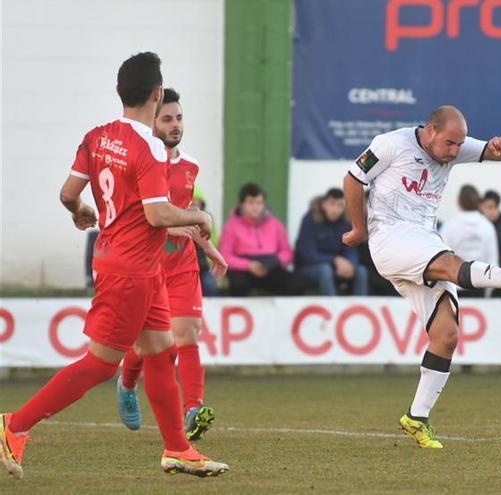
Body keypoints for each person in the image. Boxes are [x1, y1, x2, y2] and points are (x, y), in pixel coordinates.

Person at [0, 52, 228, 479]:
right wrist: (200, 217)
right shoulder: (149, 147)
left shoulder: (97, 136)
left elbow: (69, 193)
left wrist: (81, 211)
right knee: (101, 364)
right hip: (131, 269)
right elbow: (158, 214)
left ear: (120, 92)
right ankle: (13, 425)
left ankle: (177, 448)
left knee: (161, 353)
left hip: (131, 264)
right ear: (157, 94)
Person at [342, 105, 501, 448]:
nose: (455, 152)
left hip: (423, 240)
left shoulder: (455, 144)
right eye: (450, 144)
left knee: (447, 333)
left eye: (459, 145)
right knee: (450, 262)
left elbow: (496, 153)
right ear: (431, 131)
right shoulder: (390, 144)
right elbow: (352, 179)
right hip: (391, 238)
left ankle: (416, 418)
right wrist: (358, 229)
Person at [116, 88, 228, 442]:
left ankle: (193, 409)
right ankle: (127, 383)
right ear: (153, 121)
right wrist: (184, 223)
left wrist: (209, 248)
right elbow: (149, 217)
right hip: (149, 264)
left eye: (179, 117)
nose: (175, 124)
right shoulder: (142, 162)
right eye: (167, 118)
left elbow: (185, 218)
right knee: (146, 345)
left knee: (187, 334)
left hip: (182, 264)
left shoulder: (190, 166)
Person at [219, 183, 300, 296]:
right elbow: (225, 256)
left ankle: (279, 313)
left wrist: (272, 263)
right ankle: (240, 313)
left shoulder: (275, 224)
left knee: (294, 283)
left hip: (270, 266)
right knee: (238, 284)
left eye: (259, 203)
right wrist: (248, 265)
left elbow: (287, 253)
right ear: (242, 204)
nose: (255, 207)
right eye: (251, 202)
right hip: (243, 269)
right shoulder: (231, 226)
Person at [294, 188, 367, 295]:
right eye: (332, 204)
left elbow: (351, 249)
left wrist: (350, 264)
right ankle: (332, 308)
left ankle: (361, 309)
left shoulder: (346, 222)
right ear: (324, 204)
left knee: (360, 271)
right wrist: (335, 260)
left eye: (340, 205)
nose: (336, 209)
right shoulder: (310, 220)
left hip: (336, 268)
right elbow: (308, 255)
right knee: (325, 270)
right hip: (308, 268)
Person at [440, 185, 499, 297]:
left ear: (459, 202)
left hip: (454, 286)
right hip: (479, 284)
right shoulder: (487, 226)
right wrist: (489, 290)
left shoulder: (450, 225)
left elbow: (442, 258)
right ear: (478, 203)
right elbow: (492, 260)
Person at [480, 190, 501, 259]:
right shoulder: (476, 223)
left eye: (496, 207)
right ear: (481, 207)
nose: (493, 211)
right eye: (490, 207)